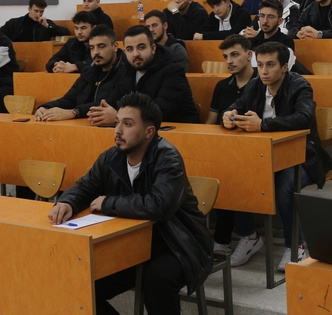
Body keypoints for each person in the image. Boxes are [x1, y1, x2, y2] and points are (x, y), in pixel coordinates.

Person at [48, 92, 212, 315]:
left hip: (176, 244)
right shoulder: (111, 157)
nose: (118, 130)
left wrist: (109, 203)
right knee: (81, 283)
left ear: (149, 132)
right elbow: (85, 187)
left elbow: (160, 205)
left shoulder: (168, 158)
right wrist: (67, 202)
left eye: (127, 124)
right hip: (130, 243)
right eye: (117, 122)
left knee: (157, 281)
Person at [222, 42, 332, 270]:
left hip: (303, 157)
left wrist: (263, 125)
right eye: (260, 65)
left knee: (284, 186)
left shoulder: (300, 85)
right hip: (264, 156)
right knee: (237, 177)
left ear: (284, 67)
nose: (264, 71)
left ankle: (296, 245)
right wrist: (229, 115)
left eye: (270, 65)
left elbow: (304, 117)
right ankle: (250, 236)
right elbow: (237, 105)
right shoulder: (255, 85)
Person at [205, 35, 258, 255]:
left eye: (234, 55)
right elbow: (211, 121)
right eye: (226, 57)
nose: (229, 61)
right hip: (224, 148)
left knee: (231, 172)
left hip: (253, 150)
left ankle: (243, 236)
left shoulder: (262, 83)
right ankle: (219, 239)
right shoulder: (222, 86)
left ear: (249, 55)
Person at [35, 25, 130, 123]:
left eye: (101, 46)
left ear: (115, 46)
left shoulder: (127, 71)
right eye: (92, 48)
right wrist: (45, 107)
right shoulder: (89, 71)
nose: (96, 52)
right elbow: (70, 99)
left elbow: (109, 104)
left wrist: (75, 112)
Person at [120, 25, 199, 124]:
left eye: (141, 47)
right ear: (125, 52)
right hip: (138, 128)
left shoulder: (173, 71)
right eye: (130, 49)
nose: (135, 54)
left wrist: (118, 116)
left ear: (153, 48)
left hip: (178, 130)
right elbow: (114, 100)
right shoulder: (124, 71)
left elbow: (160, 111)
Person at [242, 0, 307, 77]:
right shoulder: (251, 42)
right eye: (262, 16)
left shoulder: (286, 42)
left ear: (280, 21)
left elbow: (282, 73)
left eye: (271, 17)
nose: (265, 21)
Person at [0, 0, 70, 42]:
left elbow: (67, 32)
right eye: (36, 11)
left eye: (41, 11)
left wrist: (48, 26)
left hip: (39, 53)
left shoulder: (46, 23)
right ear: (29, 9)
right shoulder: (15, 23)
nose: (38, 14)